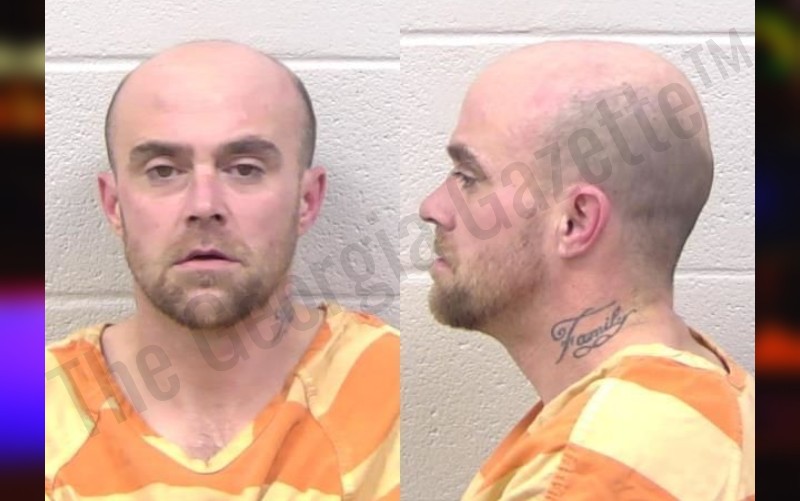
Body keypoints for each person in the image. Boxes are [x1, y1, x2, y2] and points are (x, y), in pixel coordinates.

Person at [45, 40, 399, 500]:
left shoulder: (387, 389)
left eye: (245, 169)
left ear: (307, 200)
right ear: (114, 205)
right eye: (163, 171)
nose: (204, 205)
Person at [419, 41, 754, 500]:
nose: (433, 207)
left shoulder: (590, 474)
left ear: (576, 222)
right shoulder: (717, 399)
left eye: (468, 177)